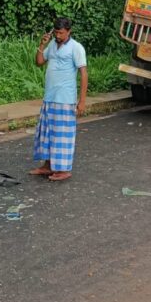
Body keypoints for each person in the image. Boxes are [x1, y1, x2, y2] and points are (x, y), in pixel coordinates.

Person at [29, 16, 87, 182]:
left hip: (65, 99)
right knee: (47, 133)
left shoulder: (76, 48)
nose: (58, 36)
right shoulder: (52, 45)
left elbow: (84, 74)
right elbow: (39, 62)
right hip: (49, 97)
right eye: (56, 32)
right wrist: (42, 45)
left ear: (69, 31)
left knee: (62, 135)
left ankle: (63, 169)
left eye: (61, 33)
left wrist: (82, 101)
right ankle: (48, 166)